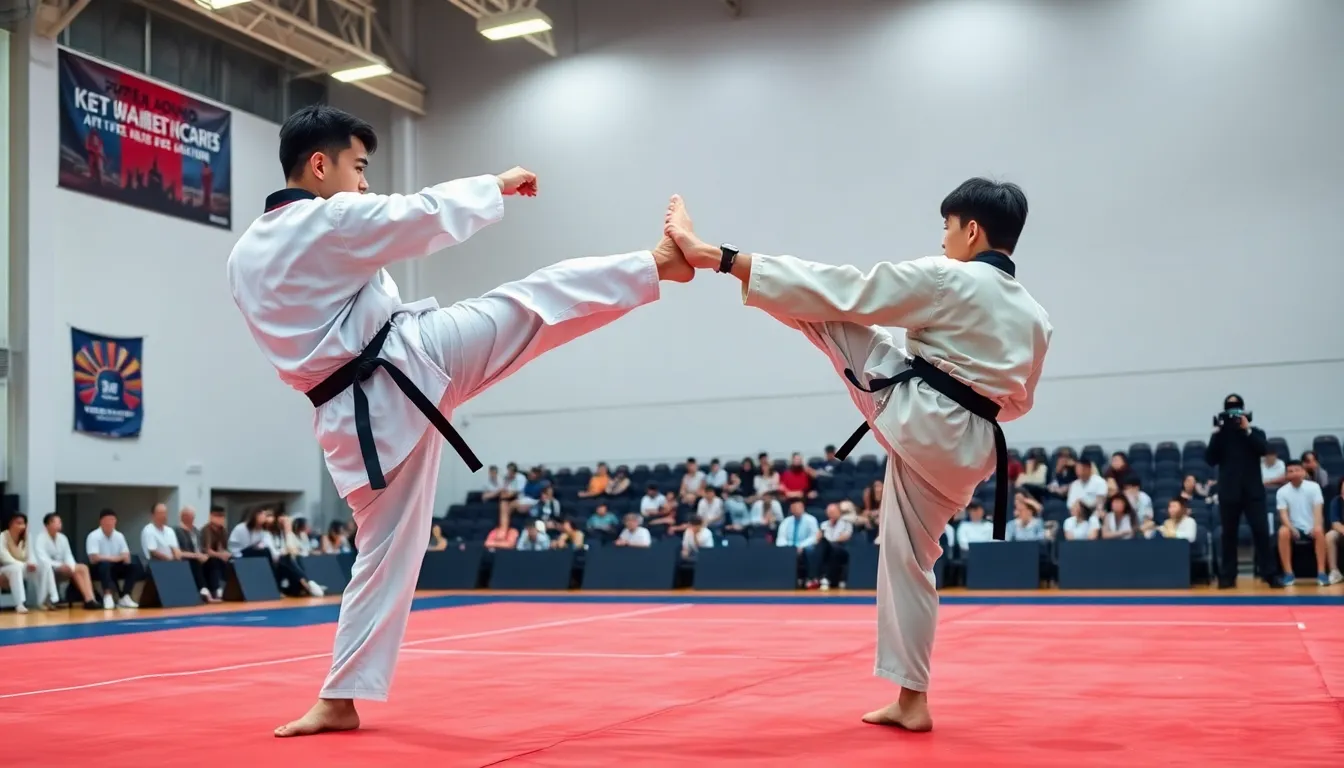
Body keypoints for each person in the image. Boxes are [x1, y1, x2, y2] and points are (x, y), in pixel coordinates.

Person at [226, 105, 693, 738]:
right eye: (358, 167)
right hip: (409, 365)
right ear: (319, 165)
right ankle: (659, 262)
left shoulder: (245, 255)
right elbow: (412, 214)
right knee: (533, 301)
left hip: (350, 415)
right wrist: (494, 184)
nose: (363, 182)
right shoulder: (326, 218)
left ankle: (341, 696)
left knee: (385, 550)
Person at [662, 177, 1051, 732]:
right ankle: (910, 700)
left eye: (946, 227)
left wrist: (723, 259)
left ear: (971, 230)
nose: (942, 239)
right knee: (910, 563)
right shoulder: (1037, 317)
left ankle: (706, 257)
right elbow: (1018, 403)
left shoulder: (949, 277)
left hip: (921, 419)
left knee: (828, 311)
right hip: (974, 449)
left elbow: (848, 288)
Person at [1204, 395, 1278, 588]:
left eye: (1237, 409)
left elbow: (1264, 449)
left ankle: (1269, 574)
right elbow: (1210, 459)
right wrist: (1216, 433)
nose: (1234, 414)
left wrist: (1247, 430)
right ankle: (1228, 576)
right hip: (1229, 492)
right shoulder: (1221, 436)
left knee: (1261, 532)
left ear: (1244, 412)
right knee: (1228, 534)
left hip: (1253, 492)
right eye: (1230, 409)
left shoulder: (1256, 432)